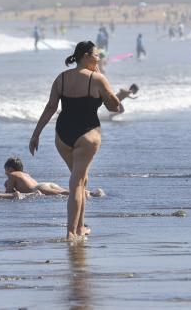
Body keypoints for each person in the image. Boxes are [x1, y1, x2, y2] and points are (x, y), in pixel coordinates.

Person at [29, 41, 121, 240]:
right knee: (77, 184)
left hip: (62, 135)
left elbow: (50, 107)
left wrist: (36, 134)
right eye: (97, 55)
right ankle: (71, 232)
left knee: (80, 180)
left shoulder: (61, 78)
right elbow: (114, 107)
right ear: (87, 56)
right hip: (87, 135)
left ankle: (80, 228)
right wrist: (108, 86)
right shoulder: (97, 79)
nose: (99, 59)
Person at [0, 157, 104, 197]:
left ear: (10, 169)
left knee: (63, 194)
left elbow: (9, 194)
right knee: (65, 191)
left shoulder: (12, 175)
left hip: (38, 189)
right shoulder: (25, 174)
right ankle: (92, 192)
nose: (5, 174)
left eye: (6, 171)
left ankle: (87, 194)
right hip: (45, 184)